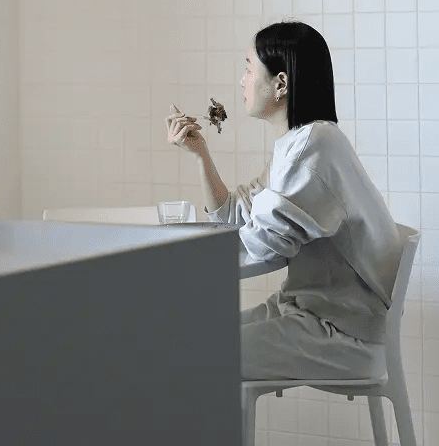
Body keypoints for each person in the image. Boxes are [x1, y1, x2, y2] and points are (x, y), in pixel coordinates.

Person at [165, 21, 404, 381]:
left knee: (189, 354)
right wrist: (201, 153)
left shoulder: (313, 151)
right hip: (307, 312)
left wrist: (168, 265)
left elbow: (262, 248)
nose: (242, 81)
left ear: (280, 84)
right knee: (180, 343)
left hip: (343, 333)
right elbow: (237, 216)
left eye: (248, 70)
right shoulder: (299, 145)